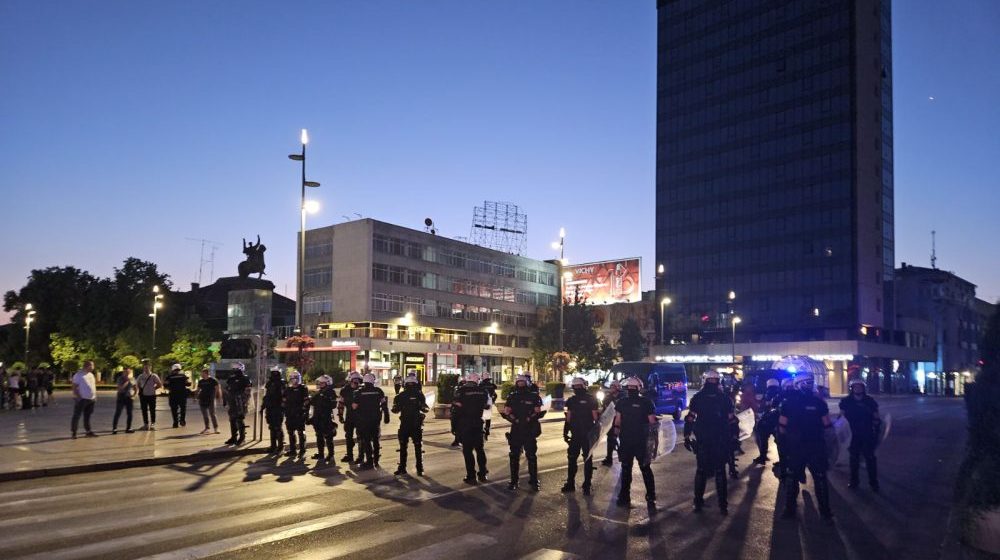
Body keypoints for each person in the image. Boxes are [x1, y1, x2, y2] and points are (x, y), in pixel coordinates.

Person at [779, 371, 834, 519]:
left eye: (810, 382)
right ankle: (791, 509)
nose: (809, 385)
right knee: (793, 478)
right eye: (806, 383)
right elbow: (782, 425)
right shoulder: (790, 403)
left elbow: (827, 424)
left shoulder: (818, 403)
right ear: (798, 384)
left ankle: (824, 511)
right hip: (800, 445)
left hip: (812, 445)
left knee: (819, 478)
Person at [684, 370, 736, 515]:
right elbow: (732, 419)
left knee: (701, 471)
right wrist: (734, 437)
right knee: (720, 471)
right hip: (720, 439)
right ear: (718, 381)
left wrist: (687, 436)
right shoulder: (725, 398)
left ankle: (698, 503)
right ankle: (723, 505)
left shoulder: (698, 398)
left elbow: (690, 418)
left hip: (703, 440)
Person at [614, 376, 657, 509]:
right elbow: (652, 422)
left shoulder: (621, 402)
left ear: (627, 388)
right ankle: (651, 496)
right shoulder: (646, 402)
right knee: (645, 468)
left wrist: (615, 437)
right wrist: (655, 440)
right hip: (641, 441)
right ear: (639, 388)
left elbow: (617, 421)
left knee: (626, 469)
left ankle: (624, 497)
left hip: (626, 440)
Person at [502, 374, 544, 491]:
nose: (520, 384)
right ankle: (518, 481)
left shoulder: (533, 396)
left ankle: (530, 481)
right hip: (520, 429)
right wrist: (520, 419)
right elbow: (507, 411)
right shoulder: (514, 396)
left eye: (522, 382)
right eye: (519, 382)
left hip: (526, 429)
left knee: (529, 456)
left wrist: (522, 419)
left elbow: (537, 411)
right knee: (517, 456)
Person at [839, 378, 881, 492]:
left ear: (863, 388)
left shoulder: (869, 401)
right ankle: (854, 481)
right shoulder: (846, 401)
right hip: (852, 435)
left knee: (870, 459)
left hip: (867, 433)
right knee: (854, 459)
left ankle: (873, 483)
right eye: (855, 387)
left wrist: (876, 427)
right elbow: (841, 417)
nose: (858, 388)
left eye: (860, 387)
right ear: (852, 389)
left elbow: (876, 415)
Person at [562, 377, 599, 494]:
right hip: (586, 434)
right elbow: (595, 418)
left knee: (572, 459)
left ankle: (570, 483)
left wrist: (565, 431)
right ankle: (587, 485)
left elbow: (568, 418)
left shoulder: (571, 400)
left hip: (576, 433)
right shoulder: (592, 399)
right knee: (587, 459)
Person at [452, 372, 490, 484]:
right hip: (478, 423)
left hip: (465, 424)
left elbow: (455, 410)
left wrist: (454, 427)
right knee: (480, 450)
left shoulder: (460, 391)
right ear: (477, 380)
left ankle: (471, 476)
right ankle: (483, 474)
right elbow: (487, 406)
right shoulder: (483, 391)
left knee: (468, 451)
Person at [392, 373, 429, 476]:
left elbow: (395, 410)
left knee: (403, 446)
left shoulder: (400, 396)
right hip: (416, 424)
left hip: (405, 424)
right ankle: (419, 468)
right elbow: (425, 408)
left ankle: (402, 468)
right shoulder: (419, 395)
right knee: (417, 446)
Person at [351, 373, 389, 469]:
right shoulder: (378, 391)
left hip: (364, 420)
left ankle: (369, 461)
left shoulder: (359, 392)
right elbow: (384, 404)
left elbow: (354, 406)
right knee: (376, 439)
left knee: (367, 440)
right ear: (373, 381)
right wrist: (386, 416)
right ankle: (376, 459)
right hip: (375, 419)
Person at [752, 378, 783, 465]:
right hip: (777, 421)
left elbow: (760, 407)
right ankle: (782, 460)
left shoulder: (766, 394)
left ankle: (762, 457)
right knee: (780, 442)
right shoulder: (781, 395)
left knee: (763, 440)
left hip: (766, 421)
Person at [310, 375, 339, 463]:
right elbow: (312, 402)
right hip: (318, 418)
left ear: (327, 383)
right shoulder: (319, 392)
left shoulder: (331, 392)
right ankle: (321, 454)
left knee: (328, 437)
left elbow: (333, 405)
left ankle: (331, 454)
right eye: (320, 383)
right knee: (319, 436)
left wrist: (325, 399)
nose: (320, 384)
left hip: (326, 417)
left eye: (322, 383)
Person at [224, 362, 252, 445]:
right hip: (232, 402)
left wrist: (245, 402)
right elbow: (227, 389)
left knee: (239, 419)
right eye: (234, 368)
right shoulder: (231, 378)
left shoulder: (245, 378)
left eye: (237, 368)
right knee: (232, 419)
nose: (235, 370)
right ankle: (233, 437)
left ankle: (242, 438)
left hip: (240, 402)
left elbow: (248, 391)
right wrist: (226, 400)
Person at [284, 371, 310, 457]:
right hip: (290, 414)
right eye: (292, 378)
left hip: (299, 414)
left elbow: (307, 401)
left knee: (301, 432)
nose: (294, 380)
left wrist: (305, 413)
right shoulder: (288, 389)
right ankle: (293, 450)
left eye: (295, 378)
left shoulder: (303, 388)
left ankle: (302, 451)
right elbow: (284, 401)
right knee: (290, 432)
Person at [337, 372, 361, 462]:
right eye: (354, 381)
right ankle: (349, 455)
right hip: (350, 416)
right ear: (350, 380)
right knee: (348, 436)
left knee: (360, 436)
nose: (356, 383)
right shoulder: (344, 390)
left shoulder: (362, 389)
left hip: (360, 416)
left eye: (357, 381)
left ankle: (360, 456)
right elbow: (341, 403)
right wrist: (340, 415)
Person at [71, 361, 98, 438]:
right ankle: (74, 432)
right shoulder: (78, 375)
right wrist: (78, 397)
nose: (93, 367)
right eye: (92, 365)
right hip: (82, 399)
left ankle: (88, 431)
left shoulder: (91, 375)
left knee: (87, 416)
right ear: (88, 366)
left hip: (91, 399)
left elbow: (93, 386)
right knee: (77, 415)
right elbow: (74, 387)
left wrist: (95, 396)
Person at [262, 367, 286, 455]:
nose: (274, 375)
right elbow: (266, 396)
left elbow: (284, 397)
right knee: (272, 427)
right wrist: (263, 406)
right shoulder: (269, 383)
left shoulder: (282, 383)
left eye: (276, 373)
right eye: (273, 373)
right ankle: (273, 446)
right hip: (270, 408)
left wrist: (283, 407)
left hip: (278, 408)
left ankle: (281, 447)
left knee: (278, 427)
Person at [136, 361, 162, 431]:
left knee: (152, 410)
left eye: (147, 367)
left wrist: (153, 389)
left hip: (152, 395)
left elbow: (159, 384)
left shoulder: (154, 376)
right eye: (145, 368)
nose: (146, 369)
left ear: (150, 368)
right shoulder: (140, 376)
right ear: (143, 369)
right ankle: (146, 424)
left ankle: (152, 424)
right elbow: (137, 384)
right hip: (143, 396)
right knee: (144, 410)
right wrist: (141, 389)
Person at [601, 380, 622, 466]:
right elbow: (605, 409)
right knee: (610, 439)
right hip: (611, 421)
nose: (611, 388)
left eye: (613, 387)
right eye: (611, 386)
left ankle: (622, 456)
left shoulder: (623, 397)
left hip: (621, 421)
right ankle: (609, 458)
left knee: (622, 440)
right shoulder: (607, 397)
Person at [196, 368, 222, 434]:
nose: (201, 374)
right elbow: (198, 389)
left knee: (212, 414)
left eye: (202, 373)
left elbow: (218, 389)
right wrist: (195, 397)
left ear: (206, 373)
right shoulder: (201, 381)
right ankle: (207, 428)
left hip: (211, 399)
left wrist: (218, 397)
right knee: (205, 415)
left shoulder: (213, 380)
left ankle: (216, 428)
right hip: (202, 399)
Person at [112, 367, 137, 434]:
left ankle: (128, 428)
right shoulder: (120, 379)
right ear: (123, 372)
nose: (127, 373)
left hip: (129, 397)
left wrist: (134, 395)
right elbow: (120, 388)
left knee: (130, 413)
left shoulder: (132, 379)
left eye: (129, 372)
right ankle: (114, 428)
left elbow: (135, 388)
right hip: (121, 397)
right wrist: (127, 381)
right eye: (126, 372)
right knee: (118, 413)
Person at [480, 374, 498, 440]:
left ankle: (482, 431)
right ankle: (487, 431)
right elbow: (495, 395)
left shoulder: (481, 385)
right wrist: (493, 401)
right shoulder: (492, 385)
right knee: (488, 418)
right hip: (489, 402)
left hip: (482, 402)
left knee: (481, 417)